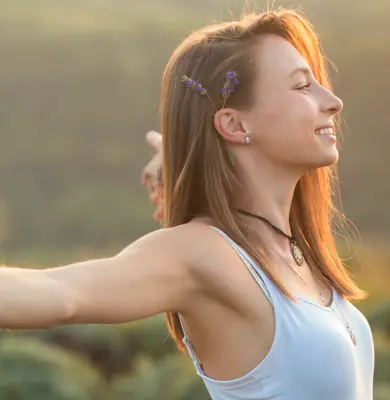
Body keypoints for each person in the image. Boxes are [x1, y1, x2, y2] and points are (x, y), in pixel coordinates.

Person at [0, 8, 375, 400]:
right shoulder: (203, 255)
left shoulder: (292, 250)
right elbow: (61, 295)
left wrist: (183, 166)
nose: (333, 101)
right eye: (301, 86)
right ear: (235, 125)